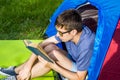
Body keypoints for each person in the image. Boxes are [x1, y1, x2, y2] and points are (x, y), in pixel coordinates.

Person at [0, 9, 95, 80]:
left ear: (73, 32)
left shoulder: (86, 46)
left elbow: (80, 77)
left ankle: (19, 78)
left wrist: (52, 65)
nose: (58, 35)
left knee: (51, 57)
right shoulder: (69, 32)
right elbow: (42, 44)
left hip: (82, 74)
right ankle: (18, 71)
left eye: (61, 33)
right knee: (50, 47)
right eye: (57, 31)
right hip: (74, 60)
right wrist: (27, 67)